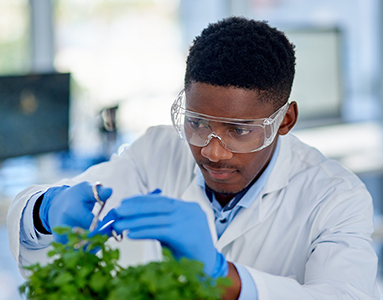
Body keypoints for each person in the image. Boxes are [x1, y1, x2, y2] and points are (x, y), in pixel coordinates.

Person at [7, 16, 380, 299]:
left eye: (240, 130)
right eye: (198, 123)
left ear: (285, 120)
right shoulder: (157, 150)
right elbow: (36, 235)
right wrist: (46, 210)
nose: (213, 151)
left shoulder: (336, 198)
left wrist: (224, 277)